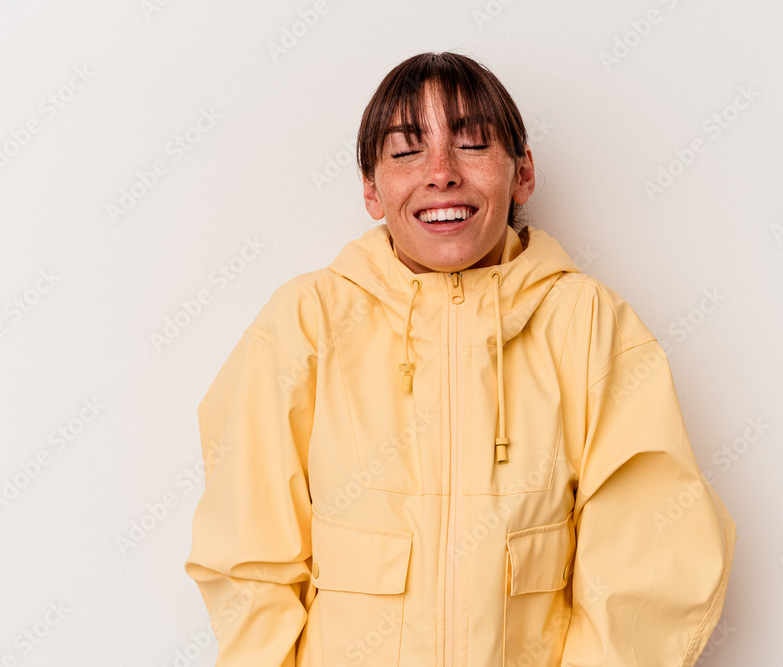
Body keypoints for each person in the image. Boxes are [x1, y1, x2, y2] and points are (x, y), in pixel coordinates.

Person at [185, 51, 736, 666]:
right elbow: (248, 555)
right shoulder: (306, 322)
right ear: (371, 188)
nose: (441, 173)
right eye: (405, 151)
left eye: (472, 145)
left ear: (522, 173)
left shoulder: (587, 324)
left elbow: (650, 557)